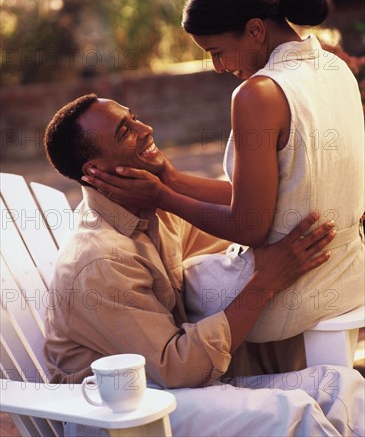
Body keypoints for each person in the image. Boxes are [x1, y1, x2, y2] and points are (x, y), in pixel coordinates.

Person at [43, 94, 365, 437]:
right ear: (95, 171)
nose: (145, 128)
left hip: (174, 392)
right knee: (290, 412)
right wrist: (265, 282)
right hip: (117, 414)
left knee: (341, 385)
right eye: (125, 131)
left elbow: (240, 228)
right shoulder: (101, 260)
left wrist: (170, 179)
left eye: (134, 116)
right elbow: (176, 366)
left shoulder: (152, 211)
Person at [85, 0, 364, 342]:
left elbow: (249, 225)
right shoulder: (335, 67)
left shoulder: (258, 94)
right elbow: (281, 196)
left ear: (255, 30)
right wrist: (171, 178)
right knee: (206, 257)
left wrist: (163, 197)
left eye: (217, 52)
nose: (217, 67)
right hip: (349, 275)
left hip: (293, 295)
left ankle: (183, 381)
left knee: (180, 280)